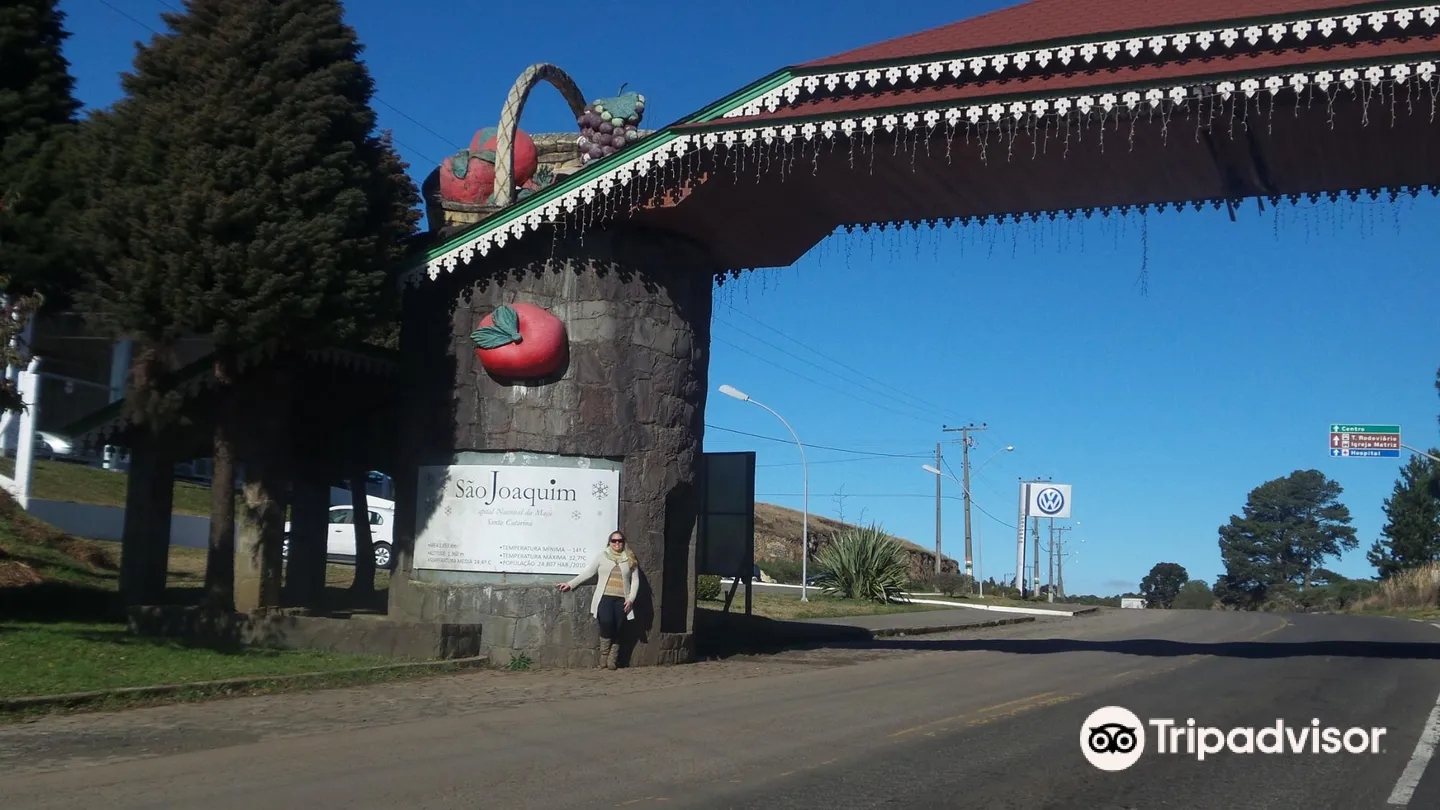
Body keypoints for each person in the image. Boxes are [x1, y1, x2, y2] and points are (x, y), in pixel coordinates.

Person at [557, 530, 640, 670]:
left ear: (623, 542)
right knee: (606, 623)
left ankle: (612, 659)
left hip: (622, 599)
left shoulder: (630, 558)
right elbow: (589, 572)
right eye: (614, 541)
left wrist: (631, 599)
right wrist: (570, 584)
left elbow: (635, 581)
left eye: (619, 540)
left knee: (619, 627)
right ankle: (604, 654)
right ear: (610, 542)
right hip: (605, 597)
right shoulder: (602, 556)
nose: (617, 543)